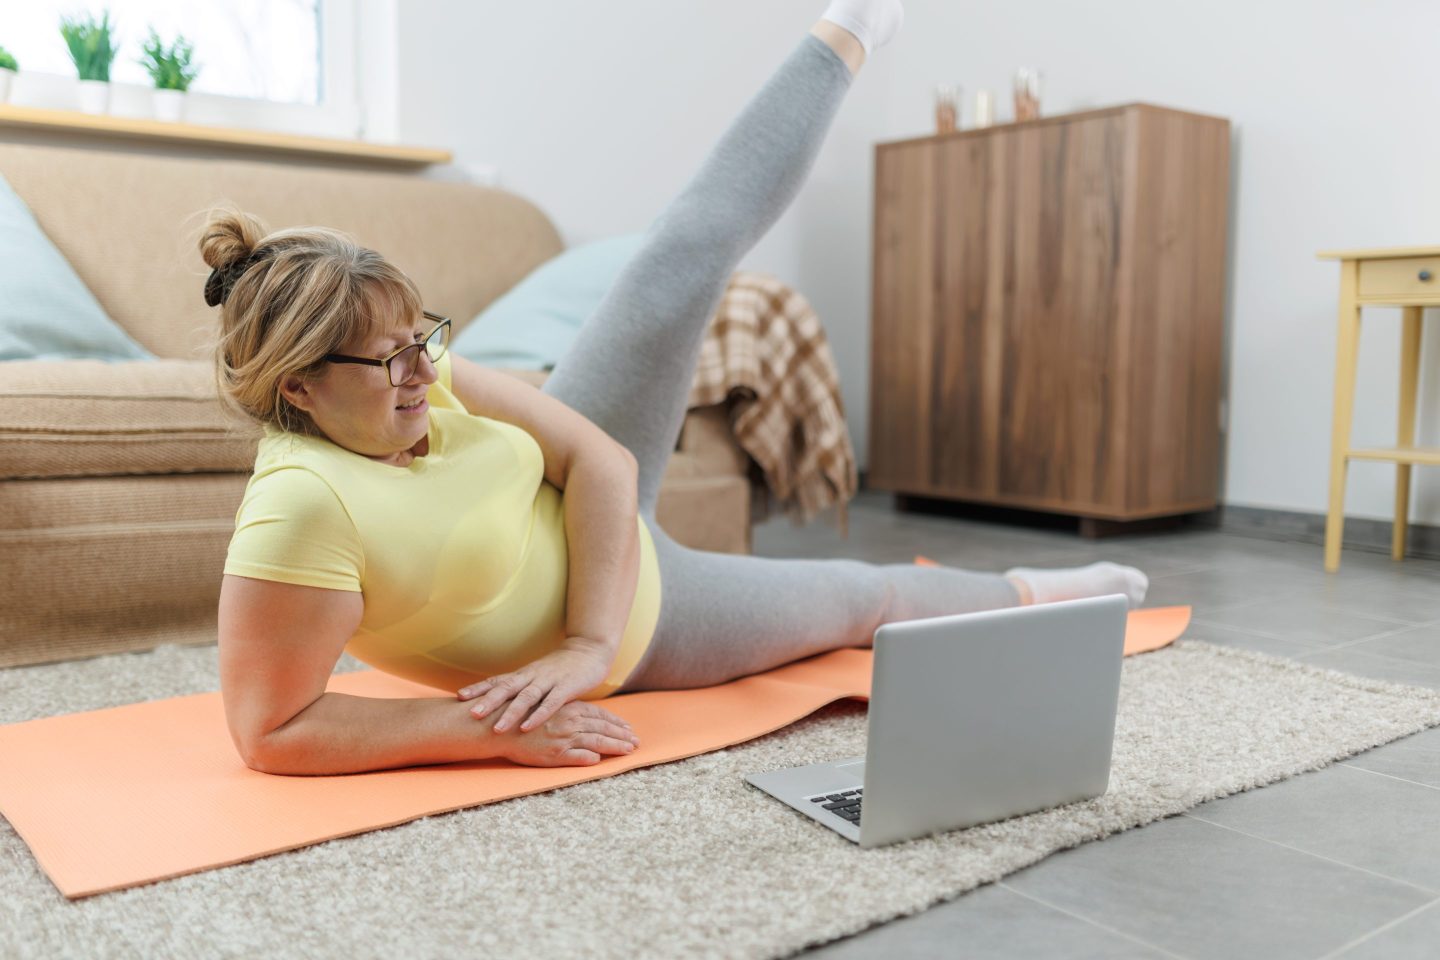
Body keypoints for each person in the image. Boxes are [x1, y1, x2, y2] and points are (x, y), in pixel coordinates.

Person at [211, 0, 1148, 777]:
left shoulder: (416, 368)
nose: (424, 373)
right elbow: (271, 731)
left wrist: (579, 637)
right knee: (863, 601)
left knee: (681, 251)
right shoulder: (303, 508)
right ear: (298, 387)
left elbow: (599, 457)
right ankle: (1040, 593)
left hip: (588, 528)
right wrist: (492, 729)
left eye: (423, 342)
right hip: (656, 616)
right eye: (391, 363)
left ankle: (850, 27)